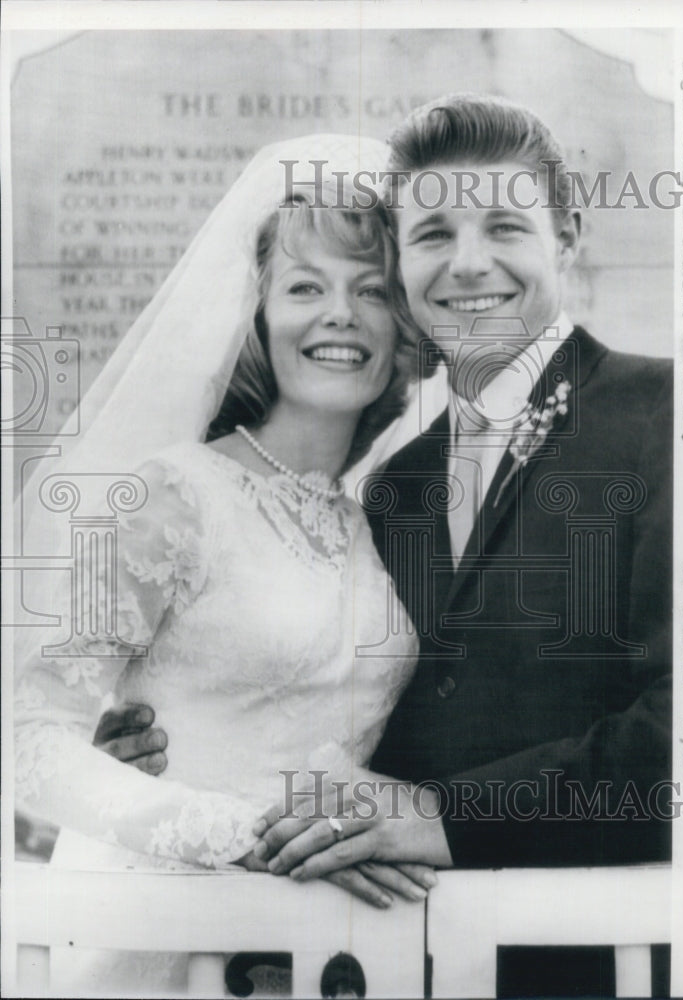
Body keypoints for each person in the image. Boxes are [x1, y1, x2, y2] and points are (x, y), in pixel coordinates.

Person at [105, 97, 672, 886]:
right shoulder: (396, 489)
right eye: (434, 235)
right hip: (387, 946)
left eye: (504, 227)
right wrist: (142, 755)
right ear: (404, 267)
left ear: (566, 238)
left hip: (594, 946)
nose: (468, 264)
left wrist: (443, 817)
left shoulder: (669, 413)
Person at [13, 134, 440, 994]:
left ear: (405, 324)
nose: (340, 315)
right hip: (165, 942)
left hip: (328, 960)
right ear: (257, 312)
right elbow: (25, 741)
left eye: (371, 291)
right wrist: (247, 836)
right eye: (305, 288)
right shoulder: (162, 494)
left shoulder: (376, 521)